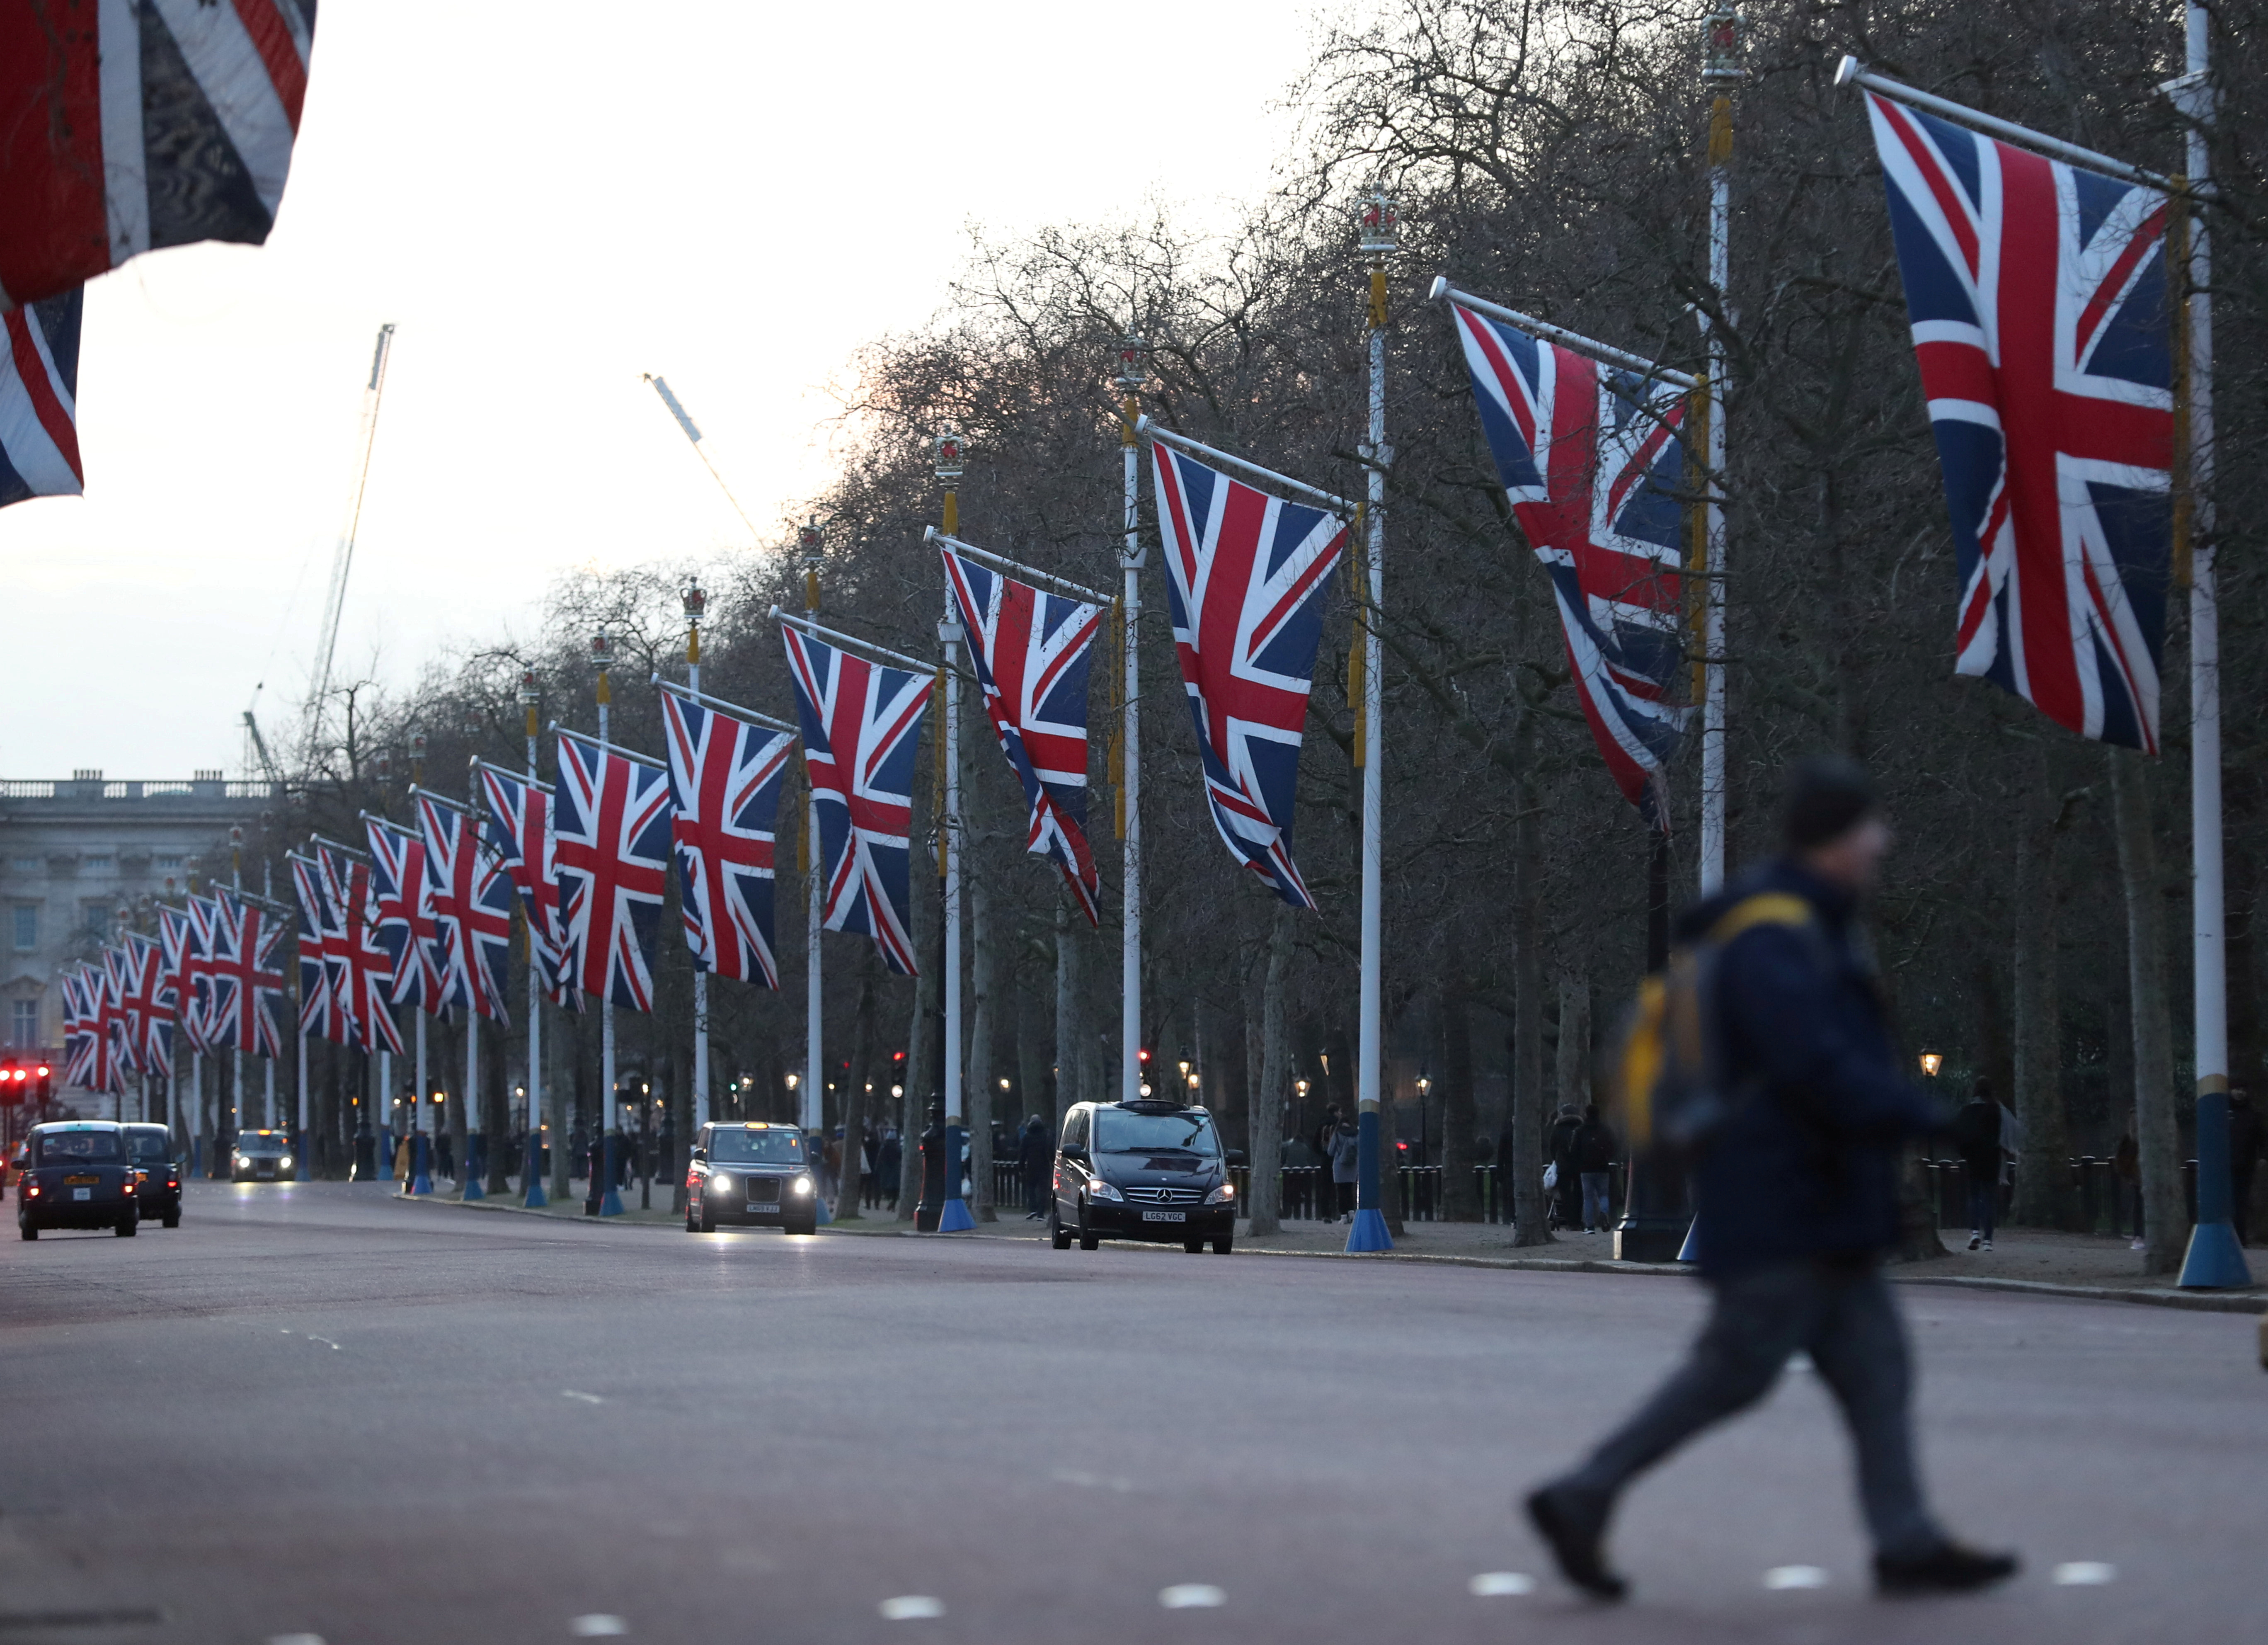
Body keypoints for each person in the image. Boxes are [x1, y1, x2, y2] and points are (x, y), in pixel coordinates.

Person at [1524, 755, 2016, 1601]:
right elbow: (1810, 1062)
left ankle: (1906, 1537)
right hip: (1783, 1196)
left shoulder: (1798, 925)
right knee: (1733, 1372)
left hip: (1818, 1199)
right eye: (1870, 828)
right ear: (1835, 839)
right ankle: (1584, 1492)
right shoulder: (1776, 935)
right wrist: (1918, 1116)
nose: (1883, 843)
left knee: (1878, 1368)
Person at [1951, 1077, 2004, 1252]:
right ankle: (1988, 1240)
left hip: (1973, 1158)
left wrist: (1965, 1153)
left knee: (1974, 1196)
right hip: (1992, 1158)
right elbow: (2002, 1135)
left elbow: (1959, 1134)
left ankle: (1974, 1231)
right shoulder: (1996, 1109)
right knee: (1989, 1198)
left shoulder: (1967, 1111)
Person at [1573, 1104, 1616, 1234]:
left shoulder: (1580, 1130)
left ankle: (1590, 1226)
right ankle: (1604, 1213)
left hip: (1586, 1168)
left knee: (1588, 1198)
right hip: (1602, 1167)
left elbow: (1574, 1149)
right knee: (1604, 1194)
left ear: (1586, 1114)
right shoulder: (1605, 1129)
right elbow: (1613, 1146)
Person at [2229, 1089, 2260, 1246]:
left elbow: (2259, 1138)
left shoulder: (2252, 1115)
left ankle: (2240, 1237)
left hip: (2244, 1166)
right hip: (2230, 1165)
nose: (2240, 1093)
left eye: (2243, 1089)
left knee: (2241, 1202)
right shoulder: (2226, 1113)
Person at [1548, 1102, 1584, 1230]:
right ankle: (1578, 1220)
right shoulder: (1581, 1127)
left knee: (1565, 1193)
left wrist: (1556, 1159)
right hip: (1579, 1165)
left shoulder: (1558, 1128)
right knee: (1579, 1193)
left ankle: (1570, 1221)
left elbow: (1552, 1147)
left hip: (1563, 1165)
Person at [1019, 1114, 1052, 1220]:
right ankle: (1041, 1213)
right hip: (1044, 1165)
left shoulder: (1027, 1136)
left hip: (1031, 1166)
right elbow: (1050, 1150)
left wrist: (1021, 1168)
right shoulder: (1046, 1134)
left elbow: (1022, 1153)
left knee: (1030, 1188)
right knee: (1042, 1190)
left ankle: (1033, 1209)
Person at [1328, 1120, 1359, 1221]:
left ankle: (1343, 1215)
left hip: (1339, 1165)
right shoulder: (1356, 1134)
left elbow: (1331, 1152)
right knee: (1350, 1189)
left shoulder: (1337, 1134)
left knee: (1341, 1190)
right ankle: (1352, 1213)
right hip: (1353, 1165)